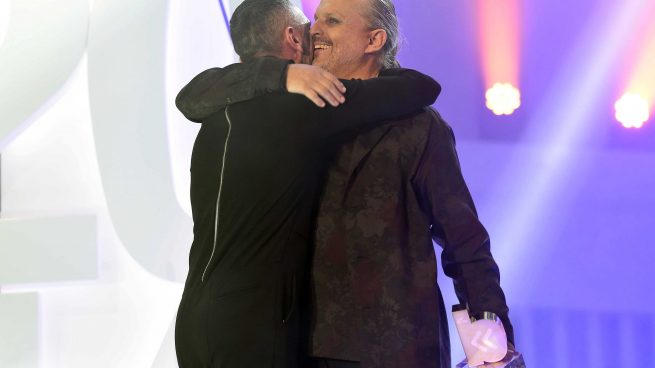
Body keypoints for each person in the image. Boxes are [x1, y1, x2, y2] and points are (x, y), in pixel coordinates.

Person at [180, 0, 519, 367]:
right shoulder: (293, 113)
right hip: (304, 348)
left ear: (373, 40)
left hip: (394, 348)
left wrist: (492, 342)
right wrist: (280, 76)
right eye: (314, 20)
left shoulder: (418, 127)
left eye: (333, 21)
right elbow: (197, 95)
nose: (315, 30)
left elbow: (463, 240)